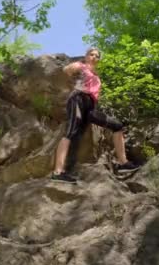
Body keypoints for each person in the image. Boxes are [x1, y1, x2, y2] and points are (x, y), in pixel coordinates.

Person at [50, 47, 139, 183]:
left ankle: (123, 163)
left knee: (117, 125)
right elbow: (66, 71)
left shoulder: (96, 75)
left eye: (97, 56)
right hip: (78, 99)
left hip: (90, 106)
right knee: (71, 132)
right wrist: (75, 68)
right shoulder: (81, 66)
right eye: (91, 54)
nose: (94, 57)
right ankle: (58, 172)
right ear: (86, 56)